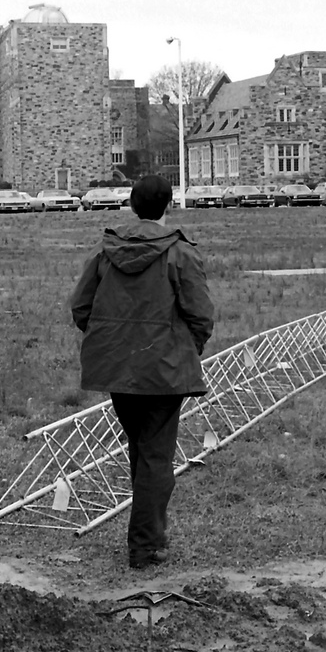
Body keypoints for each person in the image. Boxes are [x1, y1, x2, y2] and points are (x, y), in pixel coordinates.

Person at [70, 175, 215, 570]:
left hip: (120, 370)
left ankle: (148, 536)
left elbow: (80, 307)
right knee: (154, 457)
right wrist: (184, 349)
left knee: (142, 451)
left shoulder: (105, 250)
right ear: (168, 205)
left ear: (132, 205)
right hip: (163, 373)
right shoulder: (180, 253)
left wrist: (112, 342)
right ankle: (146, 546)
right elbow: (201, 315)